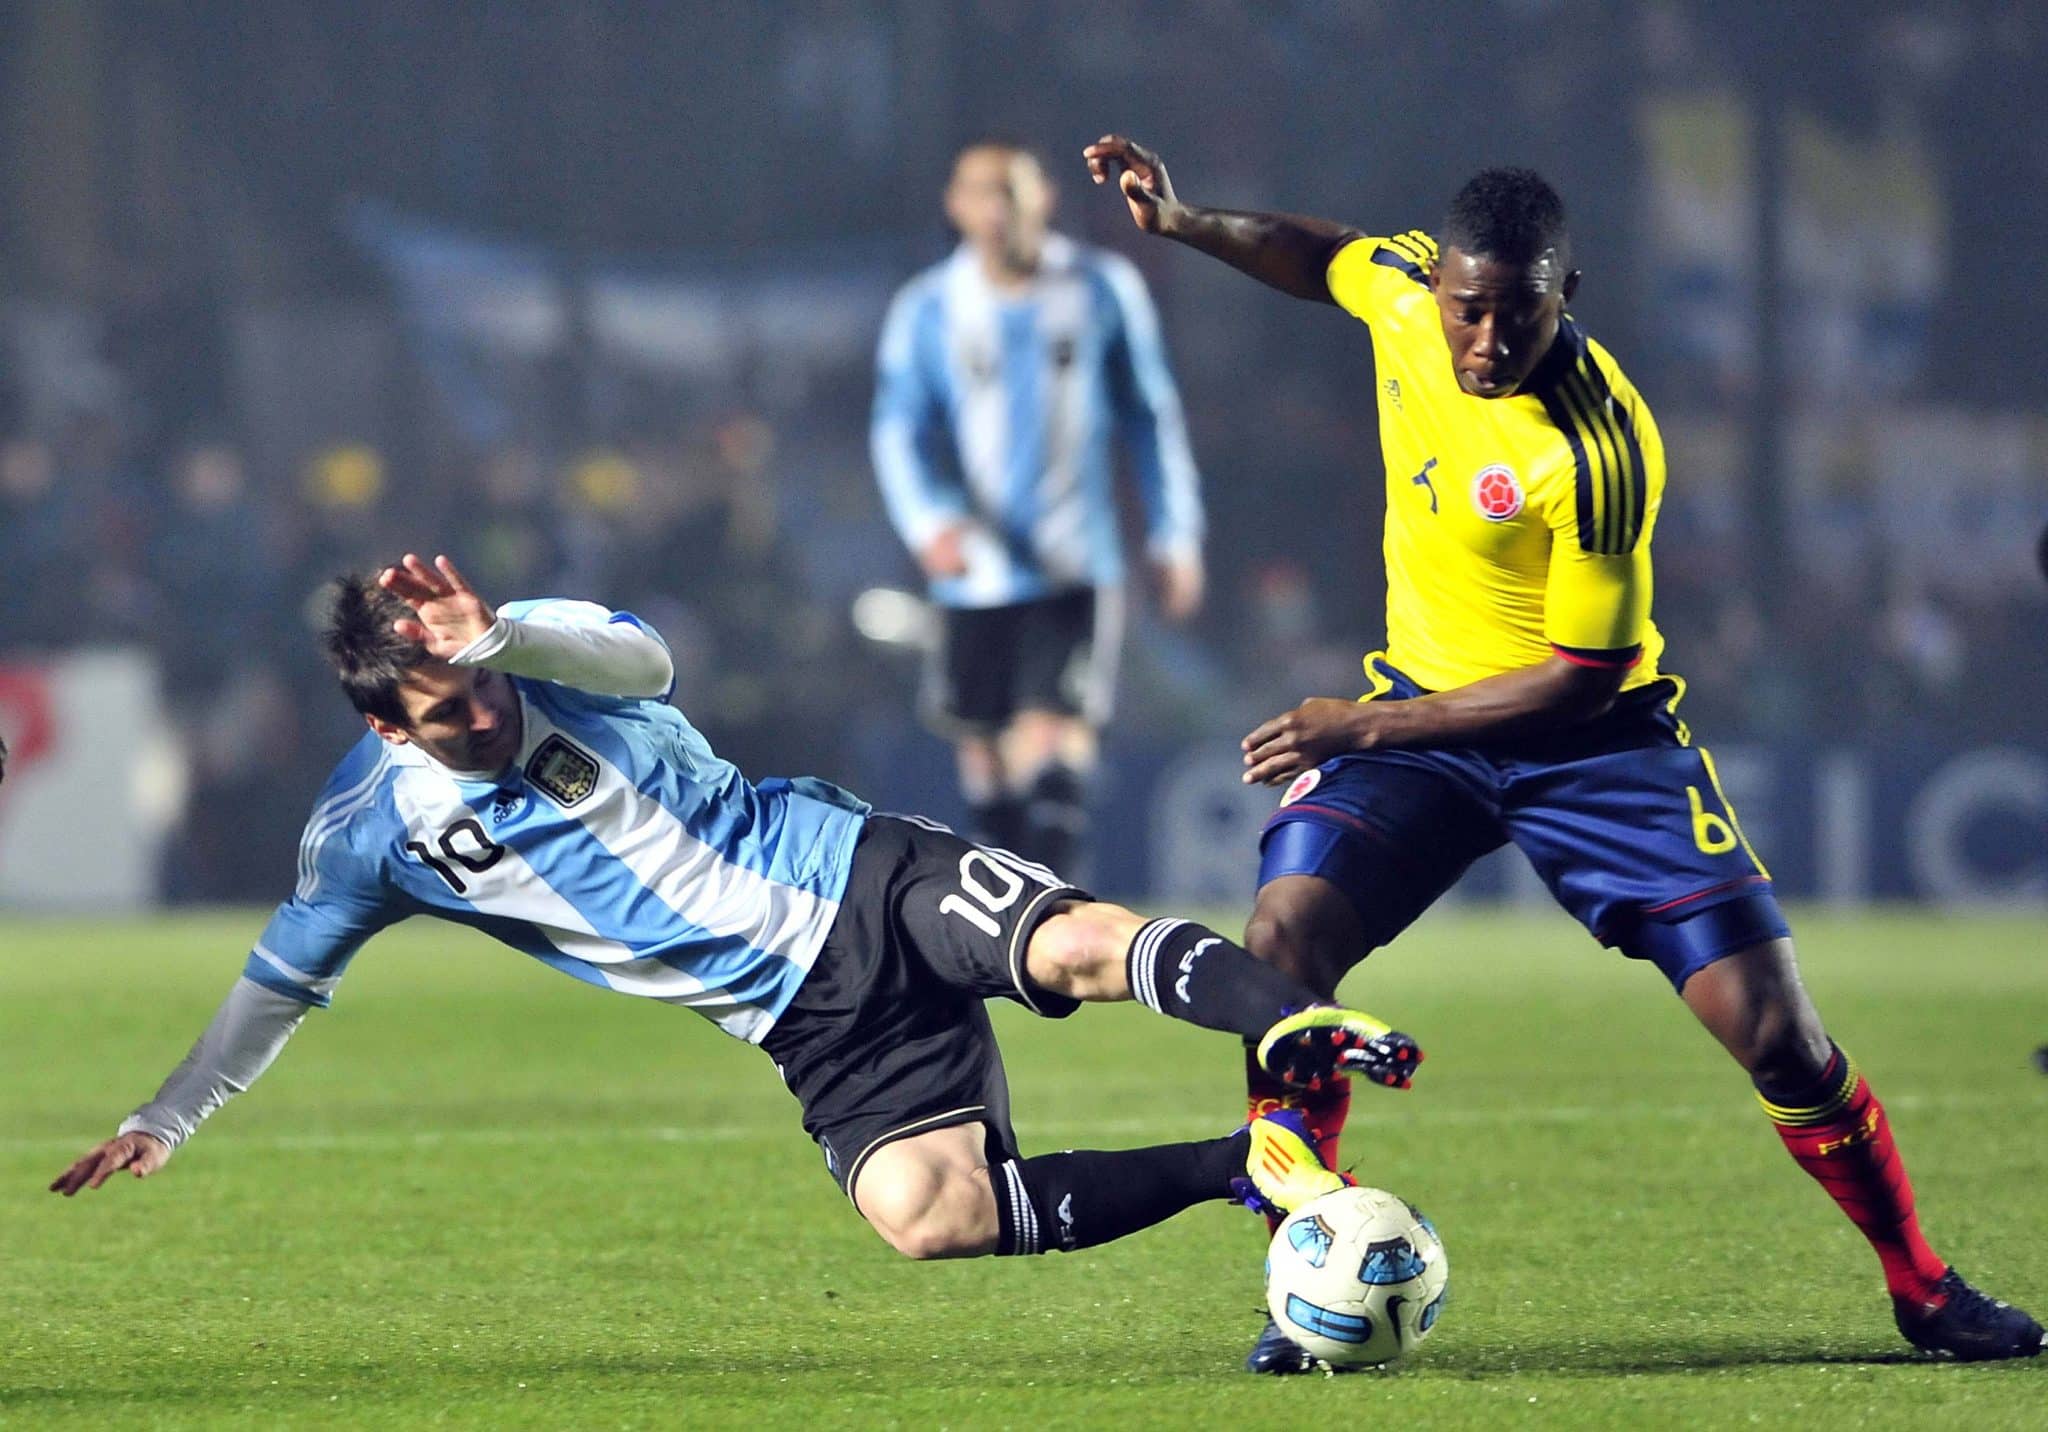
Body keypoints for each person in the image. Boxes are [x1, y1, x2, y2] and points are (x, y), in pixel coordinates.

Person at [1083, 134, 2043, 1367]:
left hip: (1587, 746)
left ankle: (1922, 1287)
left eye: (1517, 318)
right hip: (1423, 724)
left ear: (1564, 299)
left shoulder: (1594, 447)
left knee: (1772, 1031)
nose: (1484, 344)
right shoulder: (1403, 287)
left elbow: (1577, 683)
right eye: (1468, 313)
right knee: (1283, 948)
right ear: (1435, 289)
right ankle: (1305, 1273)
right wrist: (1186, 222)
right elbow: (1321, 253)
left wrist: (1360, 721)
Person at [50, 553, 1422, 1277]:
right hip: (804, 1023)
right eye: (447, 708)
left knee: (1071, 941)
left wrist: (503, 637)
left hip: (856, 873)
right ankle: (1247, 1168)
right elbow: (280, 979)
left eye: (478, 683)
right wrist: (167, 1115)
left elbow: (645, 653)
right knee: (927, 1218)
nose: (479, 709)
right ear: (376, 721)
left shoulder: (530, 654)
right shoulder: (369, 834)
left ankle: (1304, 1023)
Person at [871, 139, 1205, 877]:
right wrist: (929, 522)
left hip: (1074, 557)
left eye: (1012, 191)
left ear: (1044, 198)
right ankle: (1012, 902)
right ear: (955, 206)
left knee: (1055, 735)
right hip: (974, 570)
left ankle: (1057, 889)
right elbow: (898, 428)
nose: (999, 210)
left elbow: (1150, 416)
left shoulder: (1098, 287)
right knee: (985, 752)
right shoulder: (929, 307)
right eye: (982, 193)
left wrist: (1175, 532)